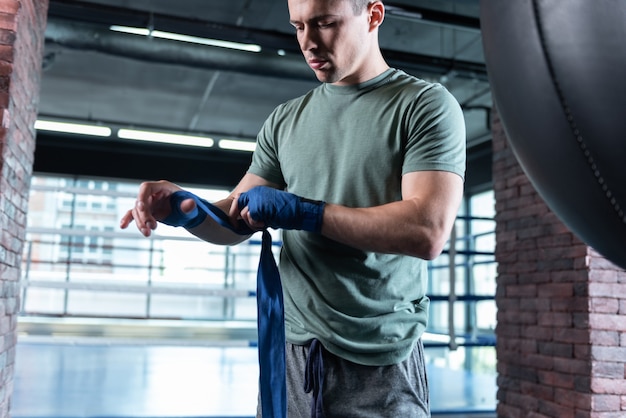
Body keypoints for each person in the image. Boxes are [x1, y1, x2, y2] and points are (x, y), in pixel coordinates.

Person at [120, 0, 466, 416]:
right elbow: (233, 221)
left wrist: (305, 213)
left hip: (378, 358)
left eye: (324, 23)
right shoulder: (285, 121)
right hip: (291, 352)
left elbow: (427, 231)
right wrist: (180, 207)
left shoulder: (423, 105)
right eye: (298, 26)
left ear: (373, 15)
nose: (308, 42)